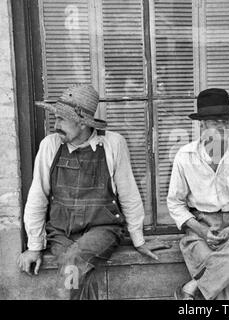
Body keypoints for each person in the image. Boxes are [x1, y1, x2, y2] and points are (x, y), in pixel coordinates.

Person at [17, 84, 170, 299]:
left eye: (62, 119)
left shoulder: (112, 143)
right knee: (77, 268)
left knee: (73, 262)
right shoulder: (49, 146)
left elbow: (128, 193)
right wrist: (34, 246)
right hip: (62, 231)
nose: (56, 125)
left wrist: (139, 239)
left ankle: (62, 297)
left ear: (82, 123)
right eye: (55, 118)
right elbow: (37, 196)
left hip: (103, 228)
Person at [167, 88, 229, 300]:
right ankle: (197, 288)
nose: (222, 128)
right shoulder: (185, 156)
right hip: (201, 228)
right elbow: (175, 203)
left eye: (226, 122)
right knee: (215, 268)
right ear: (202, 125)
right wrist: (203, 232)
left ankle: (195, 286)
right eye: (215, 122)